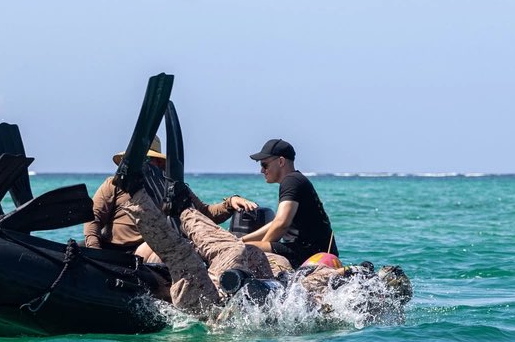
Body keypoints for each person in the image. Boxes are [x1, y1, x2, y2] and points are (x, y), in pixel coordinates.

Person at [115, 167, 274, 322]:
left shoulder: (169, 184)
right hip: (148, 255)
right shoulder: (112, 187)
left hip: (204, 301)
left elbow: (205, 212)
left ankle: (143, 195)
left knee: (188, 253)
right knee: (244, 251)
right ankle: (182, 208)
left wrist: (227, 204)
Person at [84, 136, 258, 255]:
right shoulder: (114, 183)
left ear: (158, 163)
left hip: (160, 250)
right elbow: (93, 217)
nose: (140, 165)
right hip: (120, 252)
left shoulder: (173, 188)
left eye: (146, 160)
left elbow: (204, 214)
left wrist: (230, 202)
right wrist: (94, 251)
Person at [241, 138, 338, 268]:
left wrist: (261, 252)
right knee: (241, 244)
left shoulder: (291, 181)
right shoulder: (295, 180)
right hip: (312, 250)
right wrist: (242, 239)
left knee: (244, 250)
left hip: (310, 253)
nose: (262, 171)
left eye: (264, 165)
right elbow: (276, 223)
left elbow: (282, 224)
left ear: (281, 161)